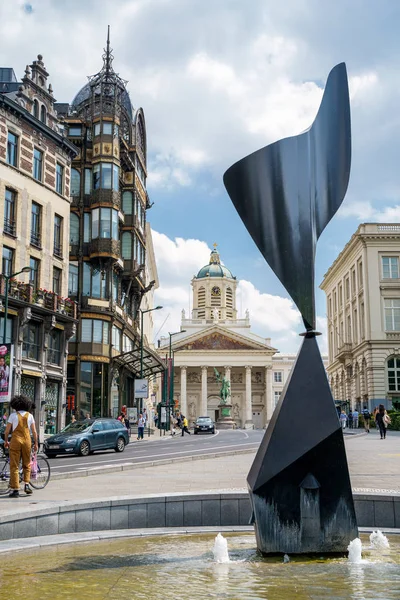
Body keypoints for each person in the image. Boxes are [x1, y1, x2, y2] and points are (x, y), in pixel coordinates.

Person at [3, 395, 38, 498]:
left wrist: (6, 441)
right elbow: (34, 432)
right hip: (27, 441)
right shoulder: (30, 416)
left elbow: (7, 431)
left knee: (14, 465)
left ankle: (15, 489)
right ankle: (27, 485)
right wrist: (36, 443)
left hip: (15, 441)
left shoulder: (13, 416)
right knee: (27, 464)